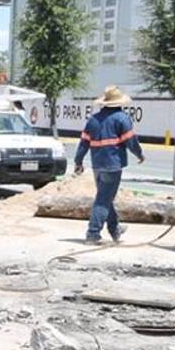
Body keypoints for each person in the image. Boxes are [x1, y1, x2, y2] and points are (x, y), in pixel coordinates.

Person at [74, 85, 144, 244]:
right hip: (113, 165)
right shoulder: (122, 118)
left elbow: (84, 143)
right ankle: (93, 233)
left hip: (97, 165)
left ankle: (115, 229)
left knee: (105, 197)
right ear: (120, 103)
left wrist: (78, 161)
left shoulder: (93, 120)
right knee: (103, 199)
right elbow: (131, 141)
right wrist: (139, 154)